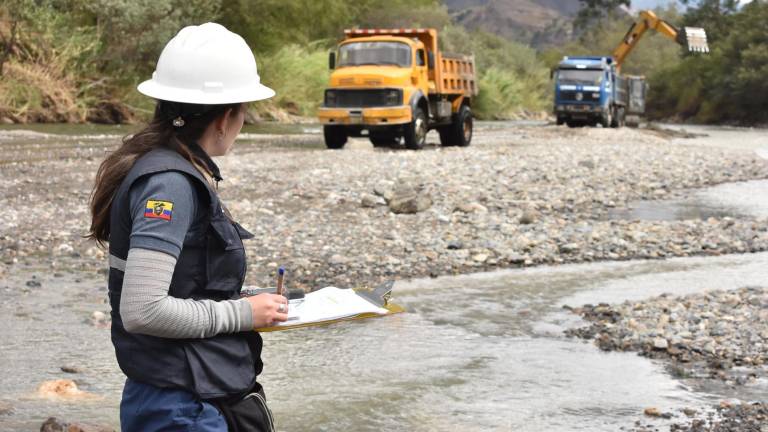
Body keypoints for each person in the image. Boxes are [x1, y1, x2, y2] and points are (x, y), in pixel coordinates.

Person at [88, 23, 287, 431]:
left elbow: (183, 282)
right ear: (226, 117)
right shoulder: (170, 184)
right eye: (244, 112)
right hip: (181, 406)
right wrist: (243, 313)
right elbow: (143, 311)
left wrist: (247, 299)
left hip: (183, 396)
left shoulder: (169, 168)